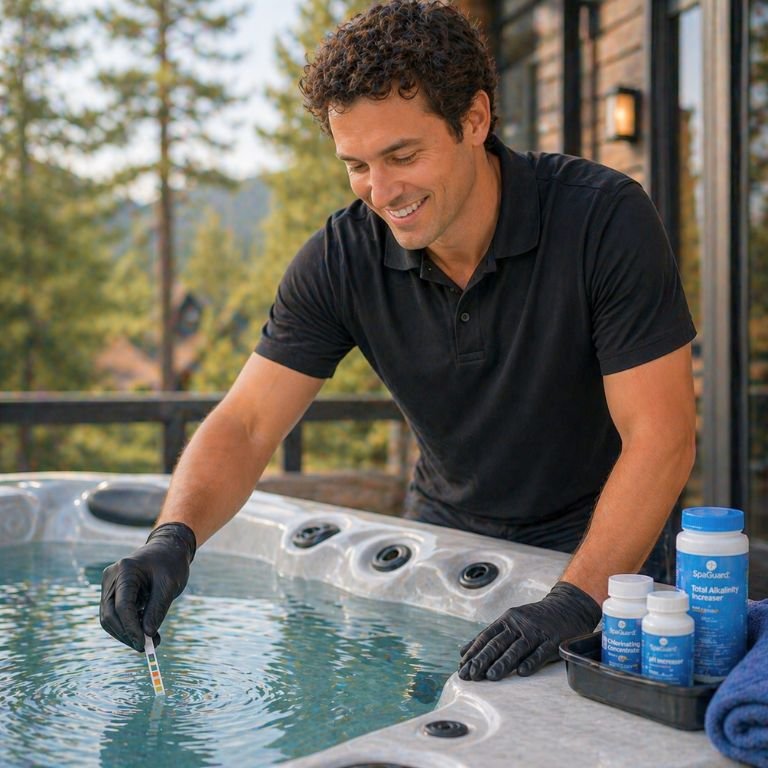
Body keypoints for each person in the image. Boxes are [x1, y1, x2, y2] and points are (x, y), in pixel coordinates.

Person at [100, 0, 697, 683]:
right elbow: (245, 422)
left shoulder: (603, 218)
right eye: (356, 164)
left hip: (609, 545)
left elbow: (664, 435)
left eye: (401, 155)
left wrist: (574, 598)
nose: (381, 193)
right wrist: (172, 539)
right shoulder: (342, 257)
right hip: (447, 531)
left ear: (474, 119)